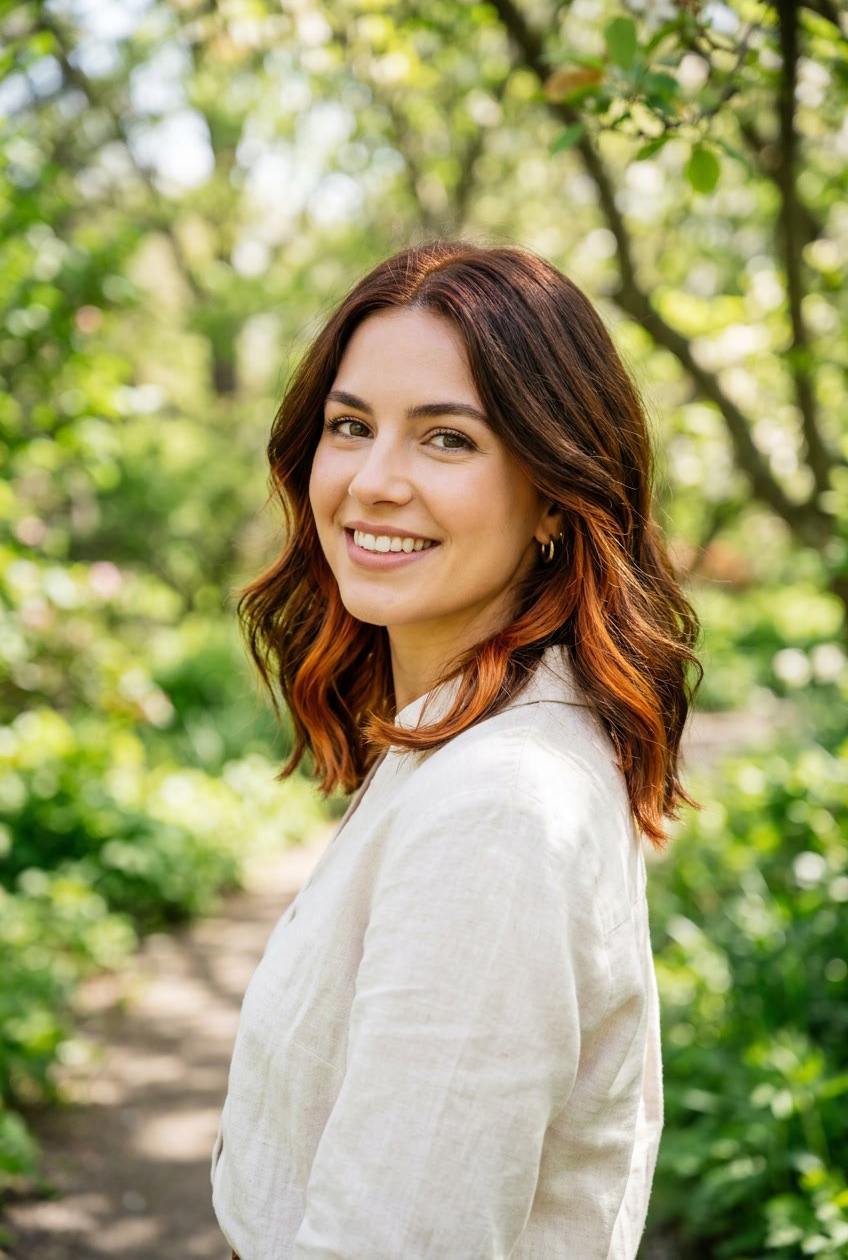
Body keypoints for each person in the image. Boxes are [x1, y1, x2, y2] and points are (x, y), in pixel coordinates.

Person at [210, 241, 701, 1260]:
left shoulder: (499, 807)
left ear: (558, 500)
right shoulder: (461, 742)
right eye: (350, 426)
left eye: (446, 439)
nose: (372, 482)